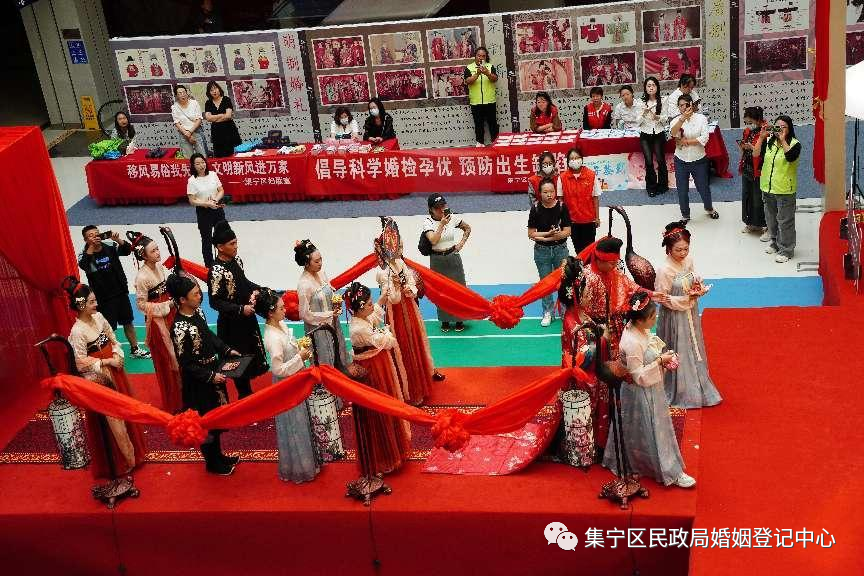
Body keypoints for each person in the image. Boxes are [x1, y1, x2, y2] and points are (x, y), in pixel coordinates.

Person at [602, 292, 696, 489]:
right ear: (640, 320)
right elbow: (639, 376)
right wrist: (660, 361)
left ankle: (644, 463)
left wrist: (661, 359)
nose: (655, 319)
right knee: (655, 429)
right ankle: (670, 471)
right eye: (652, 317)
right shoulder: (632, 342)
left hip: (643, 390)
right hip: (642, 392)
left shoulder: (635, 329)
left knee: (639, 429)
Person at [63, 277, 146, 480]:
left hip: (115, 370)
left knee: (125, 410)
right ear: (81, 305)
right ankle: (121, 461)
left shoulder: (99, 317)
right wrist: (107, 362)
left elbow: (113, 337)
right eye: (92, 302)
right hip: (100, 378)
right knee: (112, 420)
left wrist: (118, 353)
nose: (96, 304)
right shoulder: (77, 332)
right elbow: (80, 362)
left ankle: (135, 453)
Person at [167, 272, 241, 475]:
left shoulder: (197, 313)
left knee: (215, 418)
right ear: (182, 300)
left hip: (212, 372)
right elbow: (186, 363)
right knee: (205, 422)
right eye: (195, 294)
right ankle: (212, 462)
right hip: (199, 383)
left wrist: (226, 349)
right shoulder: (179, 328)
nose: (200, 296)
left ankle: (218, 455)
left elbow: (209, 335)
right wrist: (210, 376)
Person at [344, 282, 411, 476]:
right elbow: (388, 342)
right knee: (378, 411)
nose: (372, 306)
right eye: (369, 304)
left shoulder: (360, 320)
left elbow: (372, 318)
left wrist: (381, 300)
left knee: (382, 407)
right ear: (360, 308)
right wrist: (387, 332)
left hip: (376, 364)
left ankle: (388, 454)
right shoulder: (359, 329)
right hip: (373, 370)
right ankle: (383, 457)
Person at [257, 288, 321, 483]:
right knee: (294, 424)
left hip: (295, 379)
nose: (285, 310)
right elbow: (278, 370)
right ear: (270, 312)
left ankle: (309, 462)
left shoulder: (280, 325)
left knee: (302, 421)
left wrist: (299, 348)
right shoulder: (272, 338)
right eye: (281, 308)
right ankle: (300, 468)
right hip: (287, 385)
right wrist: (300, 357)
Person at [655, 222, 722, 408]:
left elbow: (693, 276)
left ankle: (697, 382)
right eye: (678, 250)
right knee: (678, 346)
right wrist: (685, 300)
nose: (683, 253)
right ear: (668, 248)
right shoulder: (664, 270)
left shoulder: (688, 260)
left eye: (686, 249)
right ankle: (680, 388)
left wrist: (698, 287)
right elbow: (661, 298)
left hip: (689, 310)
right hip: (674, 316)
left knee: (693, 345)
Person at [374, 238, 444, 406]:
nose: (401, 249)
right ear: (389, 248)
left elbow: (413, 284)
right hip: (396, 314)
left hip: (410, 308)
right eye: (398, 247)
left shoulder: (400, 263)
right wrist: (397, 288)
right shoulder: (382, 272)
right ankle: (410, 390)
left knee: (416, 341)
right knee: (404, 346)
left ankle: (422, 379)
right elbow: (392, 299)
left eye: (401, 246)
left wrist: (409, 289)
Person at [208, 220, 269, 399]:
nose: (236, 246)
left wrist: (260, 289)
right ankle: (244, 395)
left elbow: (244, 283)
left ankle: (247, 394)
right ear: (220, 247)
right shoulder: (216, 271)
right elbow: (215, 302)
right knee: (238, 362)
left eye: (236, 242)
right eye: (231, 244)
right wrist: (240, 309)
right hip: (231, 325)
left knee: (250, 356)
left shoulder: (237, 260)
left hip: (247, 320)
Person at [129, 231, 182, 414]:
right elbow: (141, 305)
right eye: (153, 251)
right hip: (158, 322)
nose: (158, 253)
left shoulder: (159, 267)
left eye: (157, 249)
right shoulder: (141, 278)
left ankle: (185, 394)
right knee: (167, 359)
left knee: (179, 352)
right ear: (143, 255)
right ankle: (174, 401)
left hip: (171, 312)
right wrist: (165, 306)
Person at [78, 226, 150, 359]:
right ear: (85, 239)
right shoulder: (84, 254)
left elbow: (127, 250)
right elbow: (84, 265)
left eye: (97, 234)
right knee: (107, 328)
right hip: (103, 298)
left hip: (120, 292)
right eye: (90, 235)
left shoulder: (110, 246)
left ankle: (135, 349)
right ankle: (110, 354)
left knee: (128, 321)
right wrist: (91, 248)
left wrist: (118, 240)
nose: (95, 237)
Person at [295, 239, 350, 372]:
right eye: (316, 261)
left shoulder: (321, 273)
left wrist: (336, 304)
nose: (320, 263)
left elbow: (329, 292)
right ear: (306, 263)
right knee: (324, 359)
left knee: (339, 352)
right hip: (317, 328)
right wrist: (329, 314)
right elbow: (304, 314)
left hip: (333, 322)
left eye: (321, 259)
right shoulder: (304, 284)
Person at [752, 115, 801, 263]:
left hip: (785, 189)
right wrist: (761, 137)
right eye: (777, 126)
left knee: (785, 221)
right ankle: (775, 242)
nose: (779, 130)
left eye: (783, 127)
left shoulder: (795, 143)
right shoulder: (769, 142)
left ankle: (786, 250)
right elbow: (755, 154)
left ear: (789, 129)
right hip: (767, 187)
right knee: (771, 219)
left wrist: (783, 139)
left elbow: (790, 157)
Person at [423, 194, 471, 332]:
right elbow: (433, 240)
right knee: (440, 292)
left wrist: (461, 243)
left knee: (458, 290)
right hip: (437, 260)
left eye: (443, 206)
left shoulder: (452, 218)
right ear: (431, 209)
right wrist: (442, 224)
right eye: (437, 207)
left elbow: (467, 228)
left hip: (453, 257)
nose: (441, 209)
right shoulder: (427, 222)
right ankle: (445, 320)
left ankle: (459, 319)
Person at [528, 179, 571, 327]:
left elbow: (567, 231)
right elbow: (531, 234)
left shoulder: (562, 207)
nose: (549, 195)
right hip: (542, 251)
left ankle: (565, 311)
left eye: (552, 191)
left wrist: (553, 236)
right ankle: (548, 312)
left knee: (563, 281)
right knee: (545, 283)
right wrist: (548, 234)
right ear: (540, 193)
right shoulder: (535, 209)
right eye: (545, 192)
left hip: (561, 249)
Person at [670, 94, 718, 222]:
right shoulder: (676, 120)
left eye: (686, 104)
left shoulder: (701, 118)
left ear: (691, 104)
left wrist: (687, 142)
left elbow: (705, 138)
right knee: (682, 190)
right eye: (680, 105)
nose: (683, 107)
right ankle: (685, 214)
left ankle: (709, 208)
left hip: (699, 159)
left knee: (703, 187)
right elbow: (673, 133)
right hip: (681, 160)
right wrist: (682, 119)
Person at [558, 147, 601, 254]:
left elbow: (595, 197)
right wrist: (562, 220)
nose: (575, 160)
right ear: (568, 161)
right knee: (579, 250)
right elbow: (560, 200)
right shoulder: (562, 178)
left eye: (577, 158)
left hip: (589, 220)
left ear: (582, 159)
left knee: (590, 250)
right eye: (572, 158)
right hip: (572, 221)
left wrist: (597, 217)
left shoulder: (591, 175)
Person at [186, 153, 226, 268]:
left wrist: (215, 200)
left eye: (203, 162)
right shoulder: (192, 180)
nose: (201, 165)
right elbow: (192, 200)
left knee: (222, 235)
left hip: (217, 208)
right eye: (198, 164)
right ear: (193, 166)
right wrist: (206, 203)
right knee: (207, 239)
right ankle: (209, 266)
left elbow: (221, 190)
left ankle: (224, 259)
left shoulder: (213, 174)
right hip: (203, 212)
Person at [739, 107, 769, 236]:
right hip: (747, 167)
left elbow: (766, 153)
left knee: (758, 198)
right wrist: (743, 147)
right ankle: (750, 223)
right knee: (747, 196)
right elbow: (744, 150)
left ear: (758, 119)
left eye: (750, 122)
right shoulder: (747, 131)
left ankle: (765, 225)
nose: (748, 125)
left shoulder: (766, 132)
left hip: (760, 169)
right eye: (746, 122)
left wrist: (754, 148)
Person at [639, 76, 669, 198]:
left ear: (657, 87)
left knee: (661, 160)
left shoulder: (664, 100)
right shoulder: (640, 102)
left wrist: (658, 117)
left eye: (653, 85)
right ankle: (651, 187)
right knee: (649, 161)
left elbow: (666, 118)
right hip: (645, 134)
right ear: (645, 88)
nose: (651, 88)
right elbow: (637, 122)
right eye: (649, 86)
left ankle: (663, 185)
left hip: (658, 133)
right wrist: (644, 113)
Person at [464, 46, 499, 146]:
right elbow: (467, 81)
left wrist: (487, 73)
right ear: (475, 56)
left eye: (483, 56)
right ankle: (480, 144)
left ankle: (495, 143)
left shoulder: (490, 66)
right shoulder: (469, 68)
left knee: (493, 124)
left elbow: (495, 79)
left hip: (490, 101)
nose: (481, 58)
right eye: (479, 55)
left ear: (486, 57)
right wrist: (477, 74)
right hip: (476, 102)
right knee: (478, 124)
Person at [204, 81, 241, 157]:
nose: (214, 91)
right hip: (216, 133)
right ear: (209, 93)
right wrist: (221, 115)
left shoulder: (226, 99)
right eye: (211, 90)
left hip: (229, 130)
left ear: (219, 89)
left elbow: (228, 115)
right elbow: (208, 118)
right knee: (219, 156)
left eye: (215, 88)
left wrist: (215, 118)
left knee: (235, 154)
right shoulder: (208, 103)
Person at [172, 85, 208, 158]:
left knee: (202, 156)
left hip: (196, 131)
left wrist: (189, 132)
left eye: (184, 92)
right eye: (180, 93)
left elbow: (199, 119)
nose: (183, 95)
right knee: (188, 158)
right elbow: (177, 123)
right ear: (176, 96)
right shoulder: (174, 107)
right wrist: (187, 134)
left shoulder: (194, 103)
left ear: (187, 93)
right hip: (183, 134)